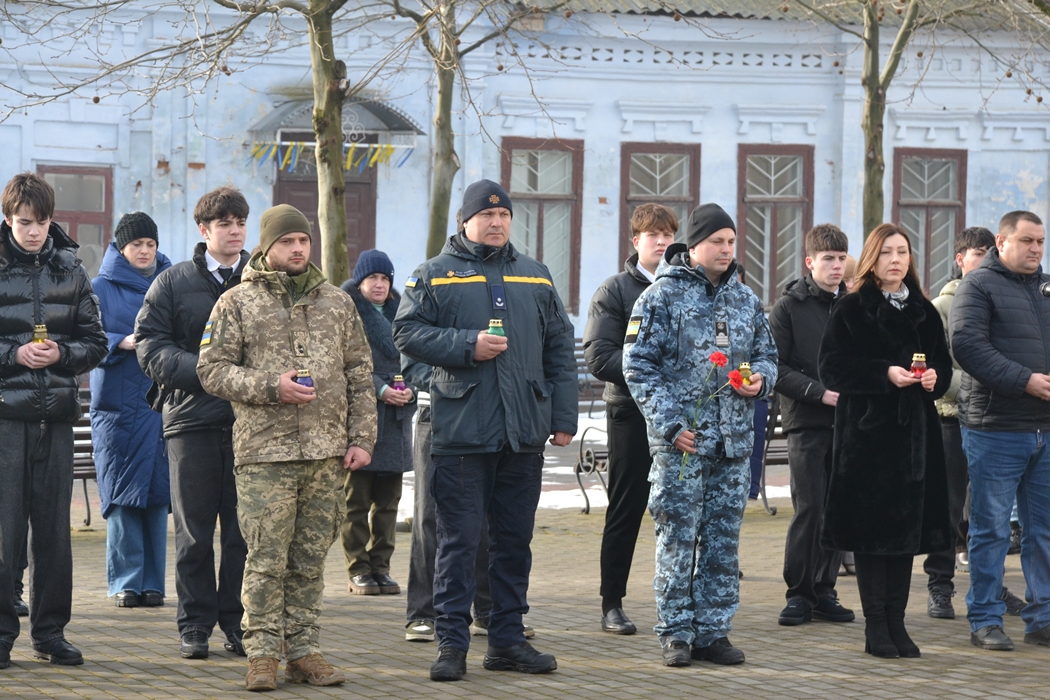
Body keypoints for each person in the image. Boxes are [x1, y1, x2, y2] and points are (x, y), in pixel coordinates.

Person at [393, 179, 577, 682]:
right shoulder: (433, 274)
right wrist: (465, 348)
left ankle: (507, 641)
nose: (496, 224)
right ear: (465, 221)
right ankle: (451, 643)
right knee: (459, 541)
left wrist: (562, 418)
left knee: (514, 541)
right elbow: (406, 337)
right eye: (486, 216)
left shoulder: (535, 275)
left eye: (504, 217)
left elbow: (560, 346)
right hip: (460, 432)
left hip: (523, 434)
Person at [197, 203, 377, 691]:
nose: (298, 249)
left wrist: (362, 438)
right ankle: (260, 654)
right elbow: (211, 369)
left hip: (325, 454)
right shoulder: (236, 302)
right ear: (267, 247)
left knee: (309, 560)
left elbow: (361, 372)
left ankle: (304, 651)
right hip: (264, 454)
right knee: (265, 559)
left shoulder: (337, 303)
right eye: (287, 242)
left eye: (304, 241)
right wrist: (270, 386)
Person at [623, 203, 778, 668]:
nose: (727, 250)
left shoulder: (746, 299)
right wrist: (671, 424)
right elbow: (637, 365)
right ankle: (675, 633)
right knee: (677, 538)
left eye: (731, 242)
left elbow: (769, 355)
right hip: (683, 446)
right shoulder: (659, 298)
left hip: (732, 444)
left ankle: (713, 631)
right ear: (692, 246)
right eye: (717, 242)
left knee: (722, 541)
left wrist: (761, 381)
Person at [818, 223, 952, 659]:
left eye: (903, 252)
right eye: (887, 253)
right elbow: (832, 369)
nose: (896, 260)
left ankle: (897, 620)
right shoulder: (852, 308)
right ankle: (876, 624)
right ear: (872, 259)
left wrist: (933, 377)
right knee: (873, 536)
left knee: (905, 536)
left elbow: (944, 368)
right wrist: (883, 373)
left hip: (916, 439)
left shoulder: (926, 311)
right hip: (868, 438)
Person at [135, 186, 250, 660]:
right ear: (204, 231)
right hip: (190, 423)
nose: (235, 231)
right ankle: (195, 624)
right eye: (224, 223)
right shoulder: (172, 281)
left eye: (241, 222)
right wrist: (209, 373)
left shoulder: (261, 282)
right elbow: (149, 346)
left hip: (251, 425)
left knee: (244, 534)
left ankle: (239, 621)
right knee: (194, 533)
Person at [0, 172, 108, 669]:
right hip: (5, 421)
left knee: (53, 535)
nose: (34, 231)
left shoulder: (71, 267)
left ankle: (50, 634)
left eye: (42, 222)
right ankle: (2, 636)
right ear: (8, 218)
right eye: (24, 223)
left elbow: (96, 343)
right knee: (4, 534)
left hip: (57, 421)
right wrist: (14, 354)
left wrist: (61, 351)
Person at [951, 210, 1050, 651]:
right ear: (1001, 241)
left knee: (1043, 530)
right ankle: (985, 618)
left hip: (1044, 429)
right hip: (995, 427)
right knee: (990, 530)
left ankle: (1043, 617)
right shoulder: (978, 285)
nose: (1035, 250)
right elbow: (968, 346)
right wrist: (1024, 380)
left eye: (1041, 242)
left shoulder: (1047, 289)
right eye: (1027, 241)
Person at [583, 203, 676, 635]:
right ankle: (611, 603)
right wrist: (653, 370)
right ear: (635, 241)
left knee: (683, 509)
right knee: (627, 507)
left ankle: (684, 603)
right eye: (653, 235)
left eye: (669, 234)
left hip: (681, 417)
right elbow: (599, 357)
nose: (662, 242)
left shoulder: (687, 289)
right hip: (631, 413)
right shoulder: (616, 291)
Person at [924, 226, 1017, 620]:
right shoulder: (940, 308)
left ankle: (993, 587)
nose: (987, 260)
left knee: (990, 513)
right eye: (979, 253)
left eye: (991, 251)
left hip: (995, 421)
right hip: (951, 420)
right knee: (947, 508)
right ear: (960, 260)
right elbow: (938, 371)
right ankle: (939, 586)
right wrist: (990, 382)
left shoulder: (1002, 300)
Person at [768, 224, 854, 627]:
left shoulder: (853, 305)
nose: (836, 267)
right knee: (810, 507)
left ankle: (825, 590)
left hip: (849, 421)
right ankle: (798, 593)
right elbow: (775, 367)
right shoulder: (788, 307)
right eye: (828, 260)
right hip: (806, 422)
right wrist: (818, 392)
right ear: (809, 262)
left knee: (838, 507)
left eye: (841, 259)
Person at [90, 212, 173, 608]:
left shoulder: (172, 283)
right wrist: (119, 340)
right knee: (122, 496)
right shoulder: (100, 288)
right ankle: (125, 581)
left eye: (150, 244)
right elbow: (86, 335)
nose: (144, 251)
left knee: (158, 496)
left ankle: (154, 582)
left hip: (161, 405)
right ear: (121, 248)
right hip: (117, 409)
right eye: (137, 244)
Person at [339, 250, 415, 596]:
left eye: (385, 278)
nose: (380, 284)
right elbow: (343, 365)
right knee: (356, 499)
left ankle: (381, 566)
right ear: (360, 282)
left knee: (388, 501)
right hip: (363, 414)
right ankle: (358, 568)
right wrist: (381, 389)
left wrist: (409, 388)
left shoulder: (406, 313)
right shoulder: (346, 312)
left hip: (398, 417)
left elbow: (417, 358)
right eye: (373, 278)